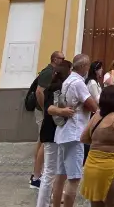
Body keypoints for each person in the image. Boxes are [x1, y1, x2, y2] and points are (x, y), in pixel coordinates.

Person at [53, 54, 98, 207]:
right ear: (84, 67)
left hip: (63, 132)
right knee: (74, 179)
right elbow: (92, 105)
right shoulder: (78, 83)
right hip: (74, 133)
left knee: (60, 175)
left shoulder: (67, 81)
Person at [37, 60, 74, 207]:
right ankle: (43, 204)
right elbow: (50, 109)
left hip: (50, 131)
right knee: (50, 172)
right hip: (53, 132)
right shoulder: (58, 88)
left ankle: (52, 200)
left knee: (53, 171)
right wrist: (64, 111)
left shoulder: (50, 88)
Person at [32, 50, 65, 190]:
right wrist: (45, 107)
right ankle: (36, 176)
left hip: (46, 110)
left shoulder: (52, 71)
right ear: (55, 59)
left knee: (41, 141)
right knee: (44, 142)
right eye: (61, 58)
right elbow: (39, 91)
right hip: (44, 111)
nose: (63, 60)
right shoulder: (48, 72)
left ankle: (36, 174)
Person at [84, 61, 104, 163]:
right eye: (100, 69)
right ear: (96, 70)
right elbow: (97, 98)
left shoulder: (95, 82)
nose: (102, 71)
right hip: (93, 111)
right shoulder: (92, 83)